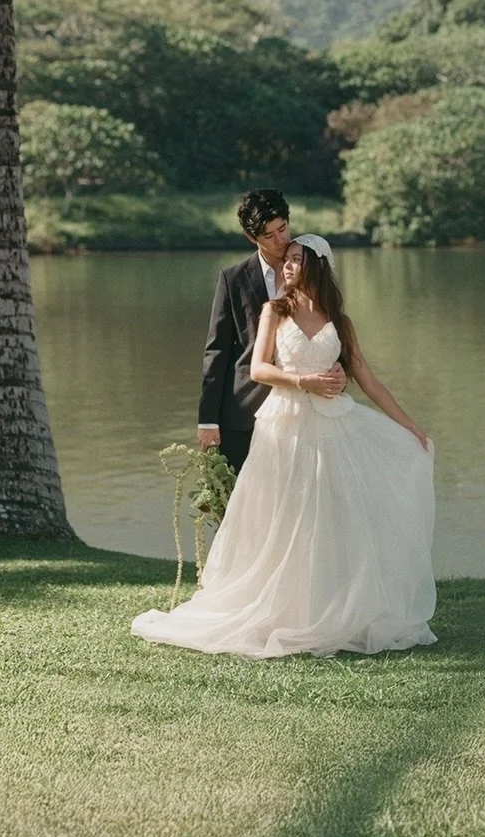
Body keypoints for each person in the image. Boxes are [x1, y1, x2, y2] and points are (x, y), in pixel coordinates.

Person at [132, 233, 436, 657]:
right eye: (286, 259)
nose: (286, 266)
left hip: (332, 429)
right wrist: (304, 381)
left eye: (295, 259)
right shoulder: (274, 310)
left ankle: (329, 609)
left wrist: (410, 427)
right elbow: (258, 369)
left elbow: (367, 379)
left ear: (317, 265)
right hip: (284, 425)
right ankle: (282, 611)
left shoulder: (340, 321)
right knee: (285, 516)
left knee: (330, 517)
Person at [195, 189, 330, 475]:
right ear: (251, 237)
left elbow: (331, 332)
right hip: (246, 415)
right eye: (269, 235)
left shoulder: (313, 267)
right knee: (242, 502)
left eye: (283, 228)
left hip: (306, 415)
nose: (281, 240)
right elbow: (216, 352)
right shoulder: (232, 279)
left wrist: (337, 371)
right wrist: (208, 420)